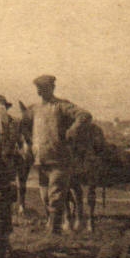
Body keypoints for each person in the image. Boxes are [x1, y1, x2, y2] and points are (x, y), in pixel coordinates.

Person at [30, 74, 93, 235]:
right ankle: (55, 225)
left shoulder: (61, 106)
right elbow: (23, 124)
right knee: (45, 197)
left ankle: (55, 230)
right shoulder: (35, 109)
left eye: (43, 88)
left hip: (59, 160)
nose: (40, 92)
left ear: (52, 88)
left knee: (56, 196)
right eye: (38, 89)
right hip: (41, 161)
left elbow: (84, 115)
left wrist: (73, 129)